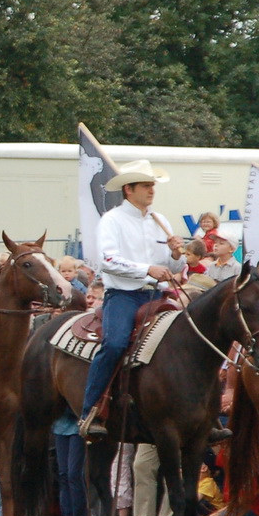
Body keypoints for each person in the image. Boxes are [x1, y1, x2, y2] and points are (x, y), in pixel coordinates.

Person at [79, 160, 184, 438]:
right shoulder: (112, 220)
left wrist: (176, 255)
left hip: (157, 295)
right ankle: (91, 409)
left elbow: (173, 269)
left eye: (152, 185)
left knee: (186, 341)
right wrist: (146, 269)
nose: (152, 190)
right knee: (114, 344)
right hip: (123, 296)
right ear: (129, 189)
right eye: (146, 185)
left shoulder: (160, 221)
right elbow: (108, 261)